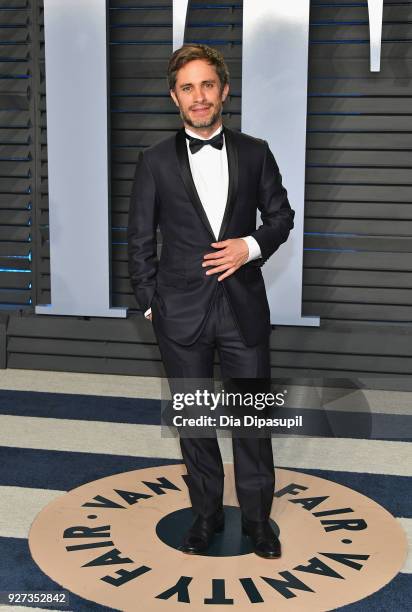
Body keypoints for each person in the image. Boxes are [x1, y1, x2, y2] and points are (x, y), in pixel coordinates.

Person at [127, 44, 295, 558]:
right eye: (186, 88)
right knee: (196, 424)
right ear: (174, 98)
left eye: (206, 85)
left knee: (250, 418)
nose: (198, 97)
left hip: (243, 308)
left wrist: (249, 246)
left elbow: (281, 218)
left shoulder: (255, 151)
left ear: (223, 90)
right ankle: (202, 516)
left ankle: (258, 522)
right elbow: (138, 240)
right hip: (179, 312)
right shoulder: (153, 161)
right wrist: (152, 302)